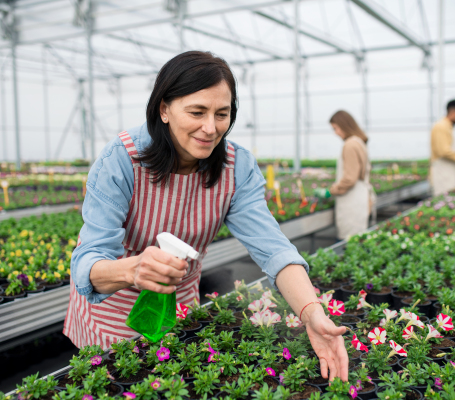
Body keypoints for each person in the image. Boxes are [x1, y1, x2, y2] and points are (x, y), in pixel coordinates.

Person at [64, 51, 348, 381]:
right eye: (197, 112)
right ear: (164, 109)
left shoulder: (235, 167)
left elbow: (275, 249)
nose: (210, 128)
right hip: (110, 318)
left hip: (178, 310)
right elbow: (87, 259)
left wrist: (311, 312)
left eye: (222, 114)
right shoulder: (123, 158)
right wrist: (134, 268)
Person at [328, 110, 376, 240]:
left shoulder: (350, 145)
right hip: (360, 197)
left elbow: (350, 178)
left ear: (344, 125)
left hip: (351, 200)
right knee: (358, 240)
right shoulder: (359, 142)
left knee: (349, 241)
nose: (335, 133)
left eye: (336, 128)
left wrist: (333, 189)